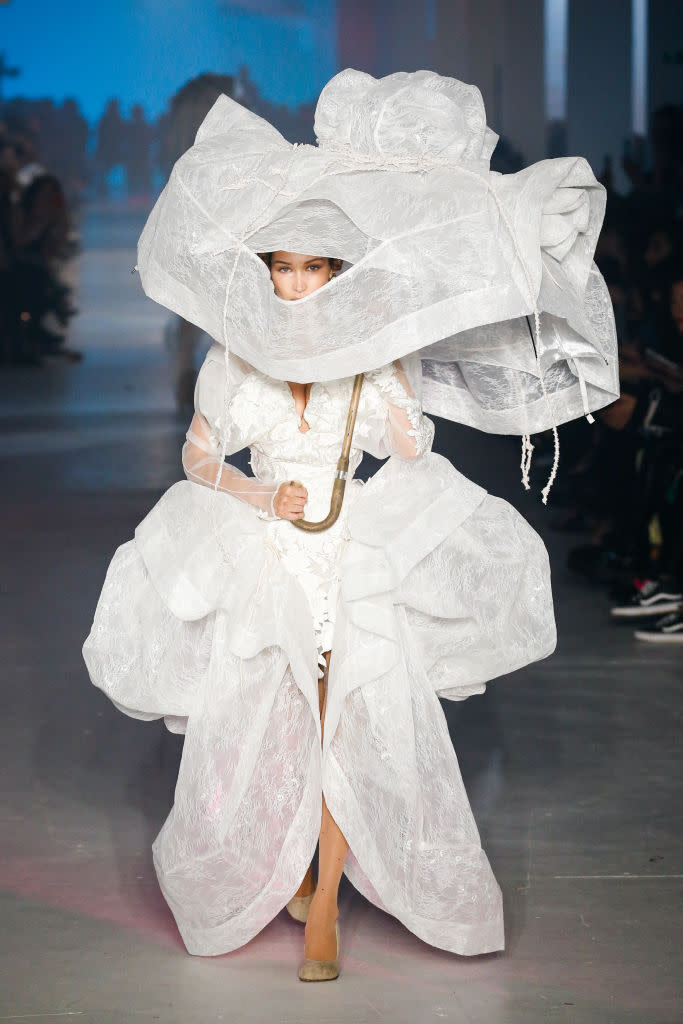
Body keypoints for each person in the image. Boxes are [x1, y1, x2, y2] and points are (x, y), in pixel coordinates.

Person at [83, 67, 617, 983]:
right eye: (282, 267)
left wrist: (394, 370)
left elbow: (406, 450)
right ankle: (290, 872)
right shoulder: (239, 361)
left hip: (350, 555)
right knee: (276, 723)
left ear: (335, 274)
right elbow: (197, 458)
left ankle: (325, 900)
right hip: (263, 550)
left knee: (349, 724)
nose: (294, 285)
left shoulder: (365, 363)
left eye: (311, 268)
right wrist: (259, 500)